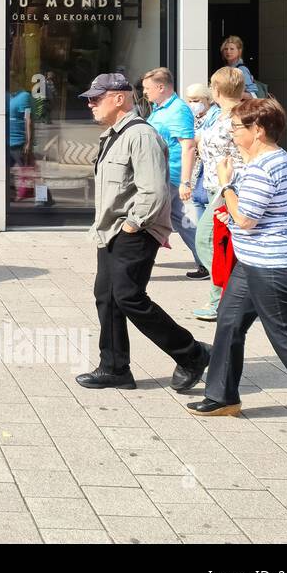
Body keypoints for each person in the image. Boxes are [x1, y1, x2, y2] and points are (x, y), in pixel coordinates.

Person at [187, 98, 287, 446]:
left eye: (237, 128)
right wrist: (230, 209)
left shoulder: (266, 166)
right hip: (253, 262)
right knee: (230, 323)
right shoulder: (266, 159)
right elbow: (248, 214)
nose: (232, 133)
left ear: (258, 130)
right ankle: (222, 397)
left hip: (272, 267)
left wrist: (225, 184)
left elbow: (247, 219)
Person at [75, 73, 211, 391]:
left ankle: (192, 353)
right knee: (106, 297)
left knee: (128, 296)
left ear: (120, 98)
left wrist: (133, 224)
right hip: (111, 229)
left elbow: (153, 191)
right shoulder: (113, 135)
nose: (91, 103)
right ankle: (114, 368)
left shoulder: (141, 135)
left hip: (135, 229)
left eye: (97, 97)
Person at [184, 67, 247, 321]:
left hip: (227, 190)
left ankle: (230, 293)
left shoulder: (237, 118)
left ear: (216, 90)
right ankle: (220, 299)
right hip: (215, 188)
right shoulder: (220, 116)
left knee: (203, 239)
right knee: (219, 246)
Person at [141, 67, 199, 267]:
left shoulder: (178, 110)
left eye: (147, 88)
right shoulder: (161, 109)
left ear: (161, 87)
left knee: (150, 219)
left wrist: (185, 181)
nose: (145, 92)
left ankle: (138, 260)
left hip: (170, 176)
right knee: (183, 221)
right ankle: (208, 262)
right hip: (163, 174)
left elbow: (188, 147)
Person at [181, 82, 214, 280]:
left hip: (210, 173)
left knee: (207, 226)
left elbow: (197, 141)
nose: (194, 104)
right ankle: (205, 265)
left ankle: (210, 266)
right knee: (200, 222)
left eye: (197, 100)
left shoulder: (214, 116)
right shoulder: (195, 118)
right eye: (191, 101)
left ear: (207, 100)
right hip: (199, 173)